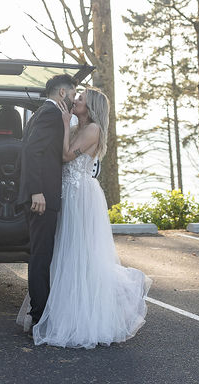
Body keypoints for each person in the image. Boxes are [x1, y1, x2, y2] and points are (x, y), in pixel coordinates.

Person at [17, 87, 152, 348]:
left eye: (80, 99)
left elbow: (67, 155)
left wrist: (66, 124)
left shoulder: (93, 130)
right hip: (68, 192)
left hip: (80, 195)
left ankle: (88, 314)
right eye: (76, 97)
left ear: (91, 108)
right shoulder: (82, 126)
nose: (75, 101)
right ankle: (63, 310)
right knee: (67, 254)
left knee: (80, 253)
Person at [16, 73, 77, 329]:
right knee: (41, 256)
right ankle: (39, 318)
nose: (74, 98)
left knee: (41, 254)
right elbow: (32, 151)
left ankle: (39, 313)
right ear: (62, 93)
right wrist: (36, 191)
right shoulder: (51, 114)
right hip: (42, 196)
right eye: (73, 93)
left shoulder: (42, 112)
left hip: (41, 194)